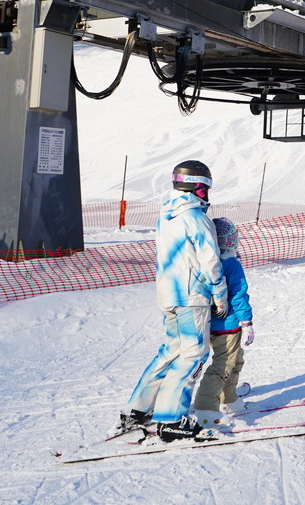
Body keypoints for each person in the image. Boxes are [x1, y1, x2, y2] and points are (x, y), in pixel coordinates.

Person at [119, 159, 229, 442]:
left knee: (171, 351)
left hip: (168, 294)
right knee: (193, 354)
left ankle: (139, 409)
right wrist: (219, 294)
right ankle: (170, 419)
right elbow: (210, 261)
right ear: (199, 187)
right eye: (206, 188)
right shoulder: (196, 218)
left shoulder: (165, 217)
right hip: (192, 295)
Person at [191, 217, 254, 429]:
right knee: (223, 365)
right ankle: (205, 408)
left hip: (209, 325)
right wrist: (247, 322)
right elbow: (238, 294)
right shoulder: (231, 264)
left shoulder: (206, 263)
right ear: (230, 242)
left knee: (235, 361)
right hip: (228, 326)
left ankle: (229, 400)